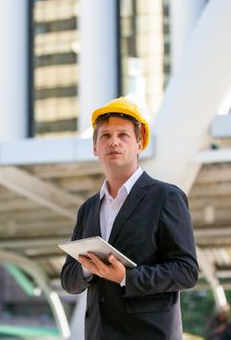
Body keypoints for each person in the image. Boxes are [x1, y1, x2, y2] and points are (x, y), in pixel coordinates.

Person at [60, 97, 199, 339]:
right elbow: (69, 280)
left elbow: (186, 271)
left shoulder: (166, 198)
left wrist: (126, 277)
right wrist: (87, 268)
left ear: (139, 144)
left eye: (123, 135)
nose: (113, 141)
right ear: (95, 147)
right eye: (105, 136)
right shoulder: (89, 209)